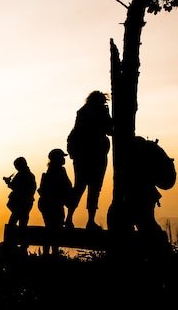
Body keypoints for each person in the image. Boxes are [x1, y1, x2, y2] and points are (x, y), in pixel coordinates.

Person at [65, 90, 113, 231]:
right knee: (94, 189)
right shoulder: (98, 113)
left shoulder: (82, 113)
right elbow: (110, 130)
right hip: (96, 156)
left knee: (79, 187)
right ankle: (89, 221)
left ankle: (69, 219)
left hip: (82, 157)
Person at [37, 148, 73, 255]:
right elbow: (67, 185)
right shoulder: (59, 171)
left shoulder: (52, 171)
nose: (64, 159)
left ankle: (48, 253)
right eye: (62, 157)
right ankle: (52, 253)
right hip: (53, 204)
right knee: (54, 229)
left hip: (48, 204)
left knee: (50, 228)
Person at [4, 157, 37, 228]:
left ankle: (14, 237)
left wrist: (8, 182)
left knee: (14, 221)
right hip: (27, 202)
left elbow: (15, 187)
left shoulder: (21, 174)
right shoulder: (30, 175)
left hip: (20, 202)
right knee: (23, 220)